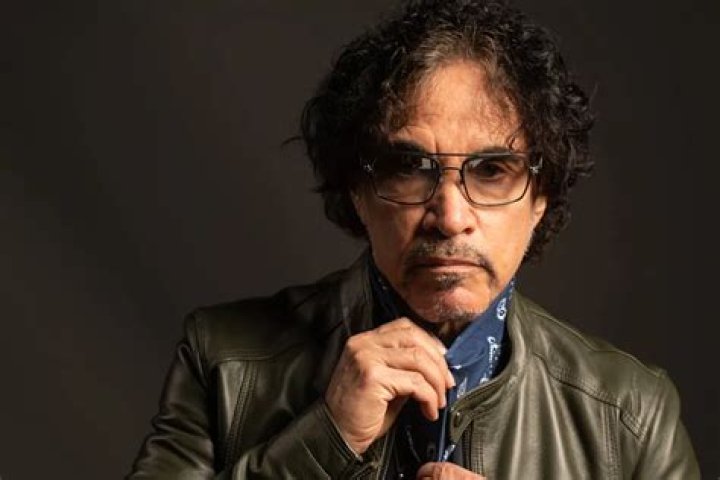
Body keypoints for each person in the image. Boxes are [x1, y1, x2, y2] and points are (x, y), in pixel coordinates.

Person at [128, 0, 700, 478]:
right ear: (357, 191)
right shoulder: (224, 361)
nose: (450, 217)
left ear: (540, 198)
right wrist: (326, 440)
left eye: (491, 171)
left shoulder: (631, 414)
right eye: (409, 168)